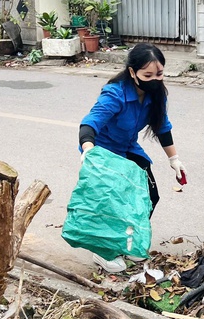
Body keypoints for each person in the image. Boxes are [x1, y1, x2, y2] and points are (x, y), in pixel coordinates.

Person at [79, 43, 187, 267]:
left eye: (159, 73)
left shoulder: (157, 94)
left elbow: (162, 127)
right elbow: (90, 123)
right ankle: (104, 252)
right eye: (147, 75)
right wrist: (88, 149)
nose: (155, 79)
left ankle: (128, 242)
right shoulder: (115, 94)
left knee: (149, 196)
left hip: (128, 148)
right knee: (113, 203)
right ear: (132, 72)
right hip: (104, 153)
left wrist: (173, 159)